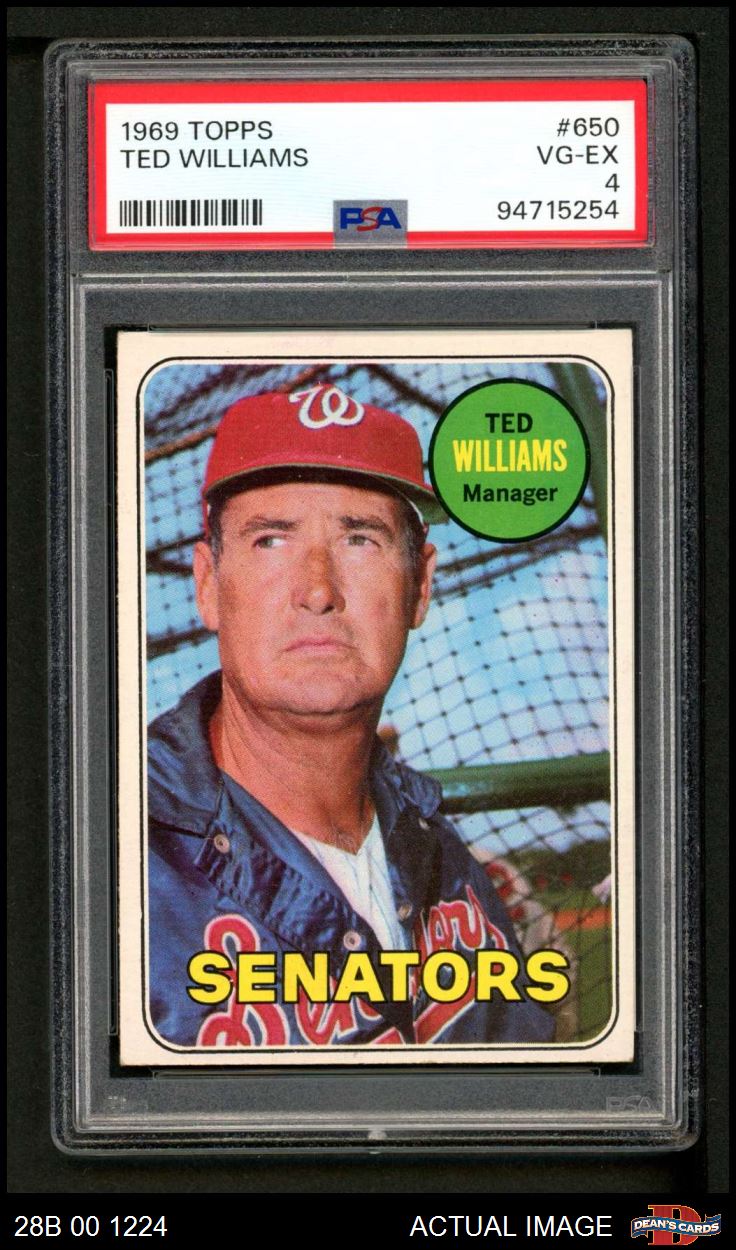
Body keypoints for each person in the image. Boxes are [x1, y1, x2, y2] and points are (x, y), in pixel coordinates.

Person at [147, 384, 556, 1048]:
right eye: (270, 540)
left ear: (420, 585)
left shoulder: (442, 858)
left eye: (360, 539)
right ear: (208, 585)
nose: (318, 590)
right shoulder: (108, 864)